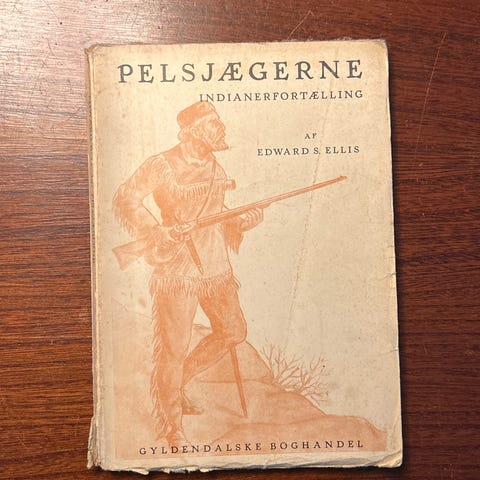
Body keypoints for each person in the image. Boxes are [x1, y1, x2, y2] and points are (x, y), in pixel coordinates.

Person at [112, 101, 263, 445]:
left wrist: (241, 221)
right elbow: (127, 198)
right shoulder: (162, 164)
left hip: (216, 267)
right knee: (174, 350)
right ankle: (172, 428)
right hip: (177, 268)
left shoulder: (215, 166)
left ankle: (178, 383)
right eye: (213, 124)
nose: (221, 128)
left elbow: (214, 212)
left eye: (219, 123)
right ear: (192, 131)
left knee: (233, 331)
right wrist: (155, 231)